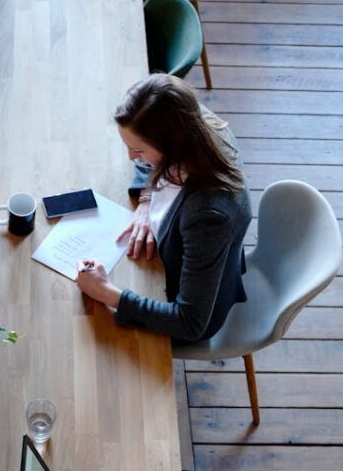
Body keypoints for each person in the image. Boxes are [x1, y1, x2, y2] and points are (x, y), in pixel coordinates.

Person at [75, 74, 251, 343]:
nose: (131, 158)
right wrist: (147, 199)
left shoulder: (209, 216)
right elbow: (149, 163)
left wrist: (107, 292)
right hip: (171, 259)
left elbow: (190, 322)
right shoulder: (189, 122)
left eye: (138, 150)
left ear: (172, 146)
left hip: (185, 307)